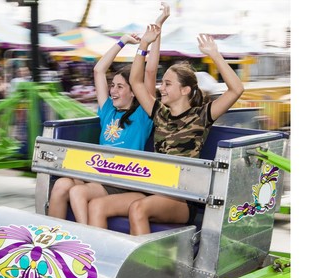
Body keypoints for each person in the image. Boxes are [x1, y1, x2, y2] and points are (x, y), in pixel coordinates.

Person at [88, 25, 244, 235]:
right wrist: (143, 45)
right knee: (98, 206)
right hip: (153, 189)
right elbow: (136, 80)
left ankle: (145, 268)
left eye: (168, 84)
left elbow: (237, 89)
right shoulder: (159, 112)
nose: (162, 88)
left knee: (139, 209)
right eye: (163, 83)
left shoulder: (202, 116)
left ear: (185, 90)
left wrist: (215, 55)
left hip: (181, 198)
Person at [47, 2, 170, 223]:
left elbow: (150, 71)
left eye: (120, 87)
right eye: (112, 86)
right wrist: (122, 41)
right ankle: (53, 240)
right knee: (62, 184)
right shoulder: (108, 111)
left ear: (135, 93)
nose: (113, 90)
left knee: (76, 191)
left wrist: (155, 32)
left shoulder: (143, 113)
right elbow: (98, 69)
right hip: (97, 175)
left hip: (122, 181)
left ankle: (86, 241)